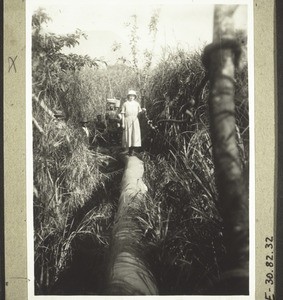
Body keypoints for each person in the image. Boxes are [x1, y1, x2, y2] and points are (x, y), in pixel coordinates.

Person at [121, 90, 146, 155]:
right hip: (127, 120)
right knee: (128, 134)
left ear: (134, 97)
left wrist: (143, 111)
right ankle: (128, 149)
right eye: (130, 96)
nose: (131, 97)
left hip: (135, 120)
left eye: (133, 96)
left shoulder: (137, 104)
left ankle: (132, 150)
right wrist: (123, 123)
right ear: (128, 96)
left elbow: (140, 113)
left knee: (134, 134)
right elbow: (123, 114)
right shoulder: (125, 104)